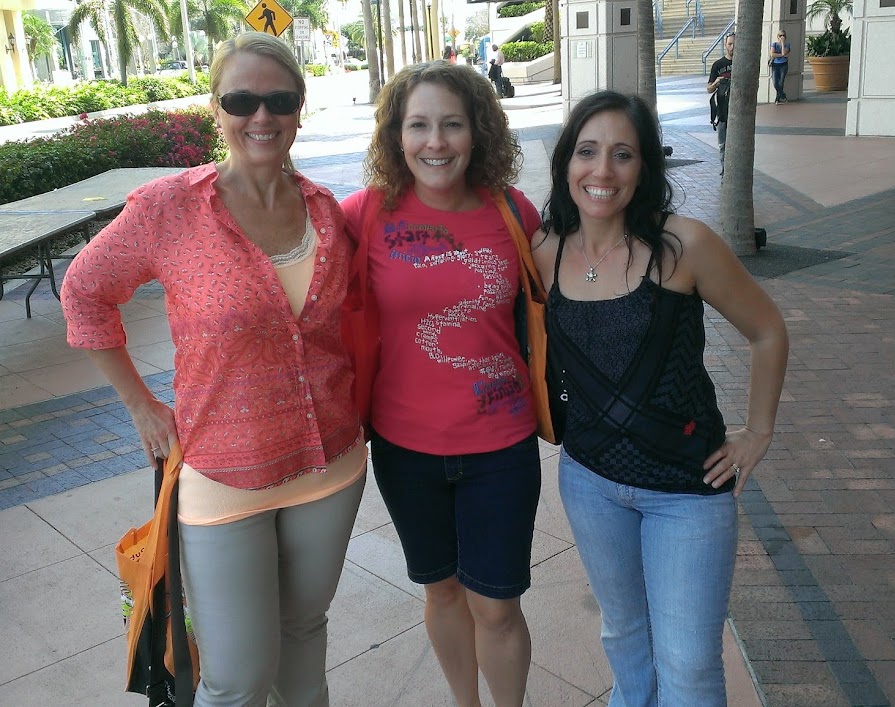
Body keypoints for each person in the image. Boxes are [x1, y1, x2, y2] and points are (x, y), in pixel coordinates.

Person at [61, 32, 366, 707]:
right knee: (236, 679)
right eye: (241, 100)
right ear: (216, 107)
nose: (262, 115)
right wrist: (141, 405)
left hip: (331, 462)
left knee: (303, 641)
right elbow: (83, 290)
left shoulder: (324, 209)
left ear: (299, 107)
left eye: (279, 100)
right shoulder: (169, 208)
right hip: (223, 473)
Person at [531, 90, 789, 706]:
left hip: (685, 492)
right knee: (625, 638)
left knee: (690, 666)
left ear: (645, 165)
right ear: (566, 162)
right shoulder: (544, 251)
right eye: (587, 151)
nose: (602, 170)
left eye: (623, 154)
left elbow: (767, 330)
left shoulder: (683, 245)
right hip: (590, 483)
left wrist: (758, 432)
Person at [341, 61, 542, 707]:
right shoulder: (364, 215)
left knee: (498, 604)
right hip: (405, 448)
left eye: (452, 124)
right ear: (395, 136)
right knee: (443, 590)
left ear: (477, 131)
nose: (436, 142)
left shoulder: (513, 212)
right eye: (419, 125)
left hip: (502, 445)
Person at [707, 32, 734, 175]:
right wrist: (717, 82)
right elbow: (709, 89)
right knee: (723, 144)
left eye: (735, 44)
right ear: (725, 45)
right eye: (730, 44)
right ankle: (725, 171)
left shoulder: (742, 64)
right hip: (723, 111)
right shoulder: (718, 65)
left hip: (737, 112)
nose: (732, 47)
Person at [770, 29, 790, 103]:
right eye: (780, 35)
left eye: (783, 35)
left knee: (781, 82)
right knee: (775, 83)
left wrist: (782, 43)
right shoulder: (774, 44)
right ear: (777, 36)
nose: (782, 37)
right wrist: (782, 55)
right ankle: (783, 96)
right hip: (775, 65)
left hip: (783, 65)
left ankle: (777, 98)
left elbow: (784, 52)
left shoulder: (787, 44)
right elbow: (772, 54)